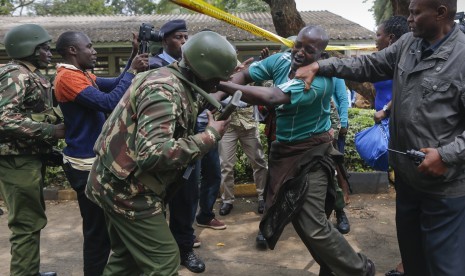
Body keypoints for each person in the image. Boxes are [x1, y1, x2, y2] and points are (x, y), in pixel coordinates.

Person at [296, 1, 465, 275]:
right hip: (408, 182)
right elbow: (368, 64)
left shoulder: (462, 56)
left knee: (444, 266)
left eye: (415, 12)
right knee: (413, 260)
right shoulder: (409, 44)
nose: (408, 19)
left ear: (441, 13)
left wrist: (447, 155)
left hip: (444, 189)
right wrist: (321, 66)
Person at [217, 25, 375, 276]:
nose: (299, 52)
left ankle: (359, 269)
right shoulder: (281, 60)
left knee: (313, 224)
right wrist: (214, 93)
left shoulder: (318, 81)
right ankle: (334, 269)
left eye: (309, 50)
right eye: (297, 45)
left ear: (320, 54)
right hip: (284, 152)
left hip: (311, 154)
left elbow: (271, 96)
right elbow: (246, 75)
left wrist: (222, 85)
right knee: (299, 220)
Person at [85, 30, 237, 275]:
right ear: (205, 71)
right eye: (219, 78)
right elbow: (152, 153)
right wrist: (209, 136)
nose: (220, 83)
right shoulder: (163, 88)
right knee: (164, 261)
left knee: (126, 259)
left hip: (116, 182)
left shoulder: (176, 80)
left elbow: (183, 109)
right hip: (126, 190)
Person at [54, 30, 148, 276]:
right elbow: (108, 102)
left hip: (92, 160)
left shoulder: (82, 74)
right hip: (83, 164)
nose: (94, 51)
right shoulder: (67, 78)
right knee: (96, 231)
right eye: (90, 46)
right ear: (73, 50)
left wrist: (133, 55)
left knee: (104, 227)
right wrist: (132, 71)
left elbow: (117, 83)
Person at [147, 19, 223, 273]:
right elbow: (153, 146)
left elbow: (195, 102)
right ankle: (163, 250)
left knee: (187, 197)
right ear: (165, 39)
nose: (183, 42)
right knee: (158, 200)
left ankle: (184, 248)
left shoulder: (193, 71)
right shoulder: (154, 69)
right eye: (179, 37)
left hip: (191, 141)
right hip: (165, 148)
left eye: (186, 37)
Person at [0, 23, 65, 276]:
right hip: (17, 161)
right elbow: (4, 119)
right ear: (28, 49)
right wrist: (52, 131)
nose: (49, 53)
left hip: (27, 158)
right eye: (44, 49)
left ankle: (30, 271)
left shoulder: (29, 74)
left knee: (31, 219)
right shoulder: (15, 74)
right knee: (26, 223)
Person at [218, 96, 268, 216]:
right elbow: (216, 96)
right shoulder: (222, 78)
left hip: (248, 123)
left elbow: (255, 94)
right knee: (225, 165)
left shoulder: (248, 77)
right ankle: (227, 200)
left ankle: (263, 197)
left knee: (259, 162)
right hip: (227, 124)